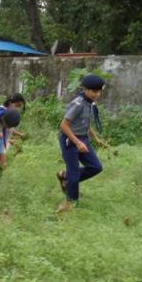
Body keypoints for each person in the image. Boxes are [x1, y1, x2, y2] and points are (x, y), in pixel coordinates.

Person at [58, 74, 106, 206]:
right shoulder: (78, 103)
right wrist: (77, 142)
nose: (97, 94)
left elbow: (84, 123)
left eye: (99, 92)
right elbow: (64, 125)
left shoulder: (89, 103)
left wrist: (95, 138)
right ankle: (71, 203)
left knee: (96, 167)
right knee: (74, 174)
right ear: (85, 89)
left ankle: (65, 176)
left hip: (83, 138)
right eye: (94, 91)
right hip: (70, 140)